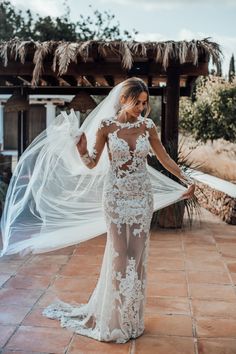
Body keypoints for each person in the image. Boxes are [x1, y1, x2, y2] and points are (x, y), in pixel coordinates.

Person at [40, 77, 195, 343]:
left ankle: (131, 319)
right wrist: (81, 150)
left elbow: (164, 158)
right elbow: (91, 163)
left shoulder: (148, 126)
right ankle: (114, 319)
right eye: (138, 102)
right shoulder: (106, 126)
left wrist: (185, 178)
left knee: (137, 256)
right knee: (119, 255)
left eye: (145, 104)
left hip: (141, 198)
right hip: (115, 197)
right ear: (123, 99)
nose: (142, 108)